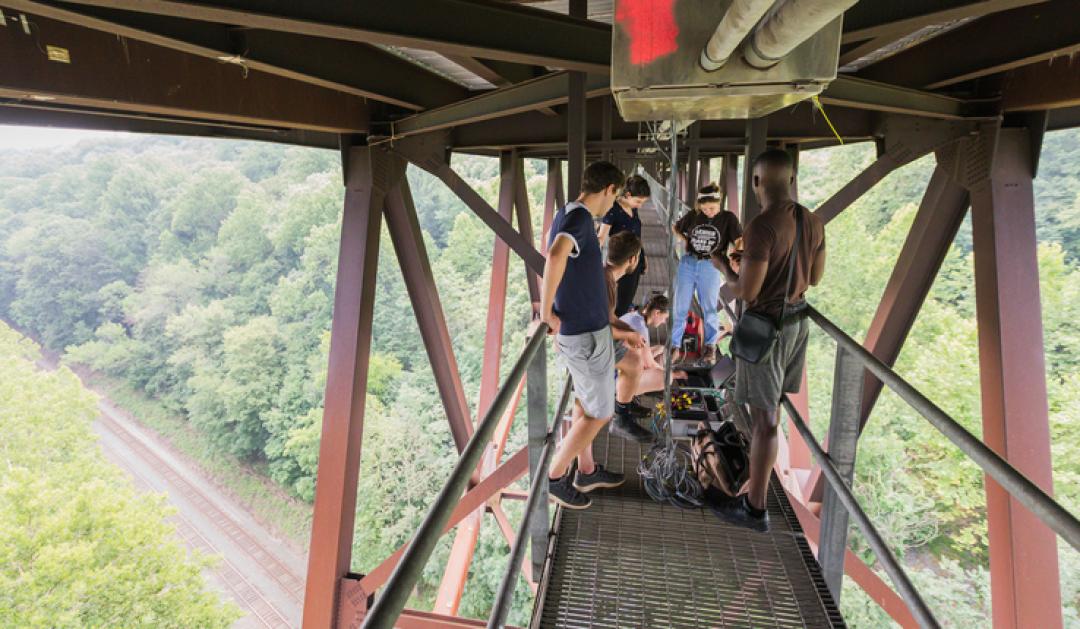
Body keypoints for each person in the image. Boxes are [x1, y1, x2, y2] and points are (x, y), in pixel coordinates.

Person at [712, 149, 826, 532]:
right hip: (796, 324)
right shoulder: (812, 220)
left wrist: (723, 268)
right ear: (791, 179)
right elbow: (816, 277)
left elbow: (746, 291)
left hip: (767, 330)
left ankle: (755, 506)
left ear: (756, 182)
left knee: (764, 421)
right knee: (770, 412)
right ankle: (756, 484)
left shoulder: (762, 226)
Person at [541, 161, 641, 510]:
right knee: (600, 414)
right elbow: (555, 256)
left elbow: (560, 261)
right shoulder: (581, 218)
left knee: (589, 402)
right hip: (585, 337)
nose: (612, 207)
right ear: (611, 189)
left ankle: (586, 470)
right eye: (615, 197)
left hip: (587, 333)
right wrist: (545, 312)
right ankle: (554, 478)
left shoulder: (569, 214)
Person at [671, 182, 742, 366]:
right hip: (688, 262)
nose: (708, 212)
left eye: (712, 208)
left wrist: (736, 256)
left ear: (719, 202)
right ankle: (675, 346)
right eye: (705, 208)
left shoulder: (728, 218)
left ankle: (710, 346)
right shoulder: (695, 215)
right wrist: (685, 240)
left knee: (709, 308)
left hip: (710, 265)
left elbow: (739, 240)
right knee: (680, 306)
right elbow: (676, 227)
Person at [597, 175, 651, 316]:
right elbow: (601, 236)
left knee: (629, 295)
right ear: (627, 195)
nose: (640, 205)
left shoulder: (633, 209)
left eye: (642, 203)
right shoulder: (613, 209)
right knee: (620, 301)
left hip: (636, 258)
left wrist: (643, 256)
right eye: (638, 201)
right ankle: (616, 329)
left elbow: (637, 234)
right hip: (622, 260)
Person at [620, 294, 688, 392]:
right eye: (664, 318)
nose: (664, 322)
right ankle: (627, 392)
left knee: (660, 348)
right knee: (667, 378)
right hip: (617, 372)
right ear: (657, 313)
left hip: (621, 357)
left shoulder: (635, 315)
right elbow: (650, 364)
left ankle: (643, 385)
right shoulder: (641, 328)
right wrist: (674, 375)